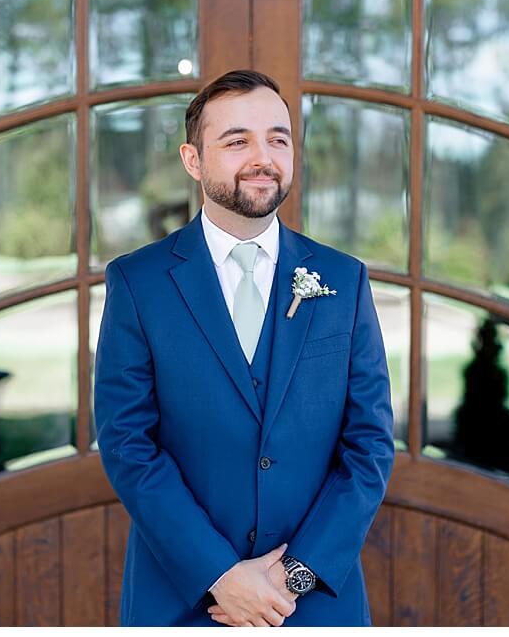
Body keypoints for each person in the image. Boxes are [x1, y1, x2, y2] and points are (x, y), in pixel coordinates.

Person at [94, 69, 395, 627]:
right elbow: (128, 445)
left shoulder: (343, 281)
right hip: (184, 601)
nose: (263, 156)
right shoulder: (139, 283)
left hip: (312, 605)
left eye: (278, 138)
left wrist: (294, 577)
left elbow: (370, 446)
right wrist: (220, 575)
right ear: (193, 160)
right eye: (237, 141)